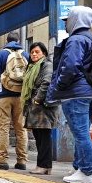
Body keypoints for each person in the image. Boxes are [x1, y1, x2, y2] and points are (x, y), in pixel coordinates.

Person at [47, 6, 92, 183]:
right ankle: (80, 167)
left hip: (76, 93)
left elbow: (70, 67)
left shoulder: (76, 40)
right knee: (83, 132)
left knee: (79, 133)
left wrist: (61, 85)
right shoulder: (91, 39)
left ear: (76, 19)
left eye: (67, 19)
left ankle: (86, 172)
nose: (65, 23)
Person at [0, 31, 29, 170]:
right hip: (21, 96)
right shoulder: (25, 55)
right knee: (21, 128)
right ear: (18, 41)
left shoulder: (0, 54)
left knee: (3, 127)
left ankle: (2, 159)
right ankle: (22, 161)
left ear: (7, 40)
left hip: (4, 95)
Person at [21, 42, 60, 175]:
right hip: (36, 108)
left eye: (37, 52)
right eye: (32, 52)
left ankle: (43, 165)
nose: (34, 54)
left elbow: (46, 82)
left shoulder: (46, 65)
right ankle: (44, 166)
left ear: (43, 53)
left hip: (43, 107)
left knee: (44, 137)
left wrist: (37, 99)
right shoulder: (32, 67)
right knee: (40, 137)